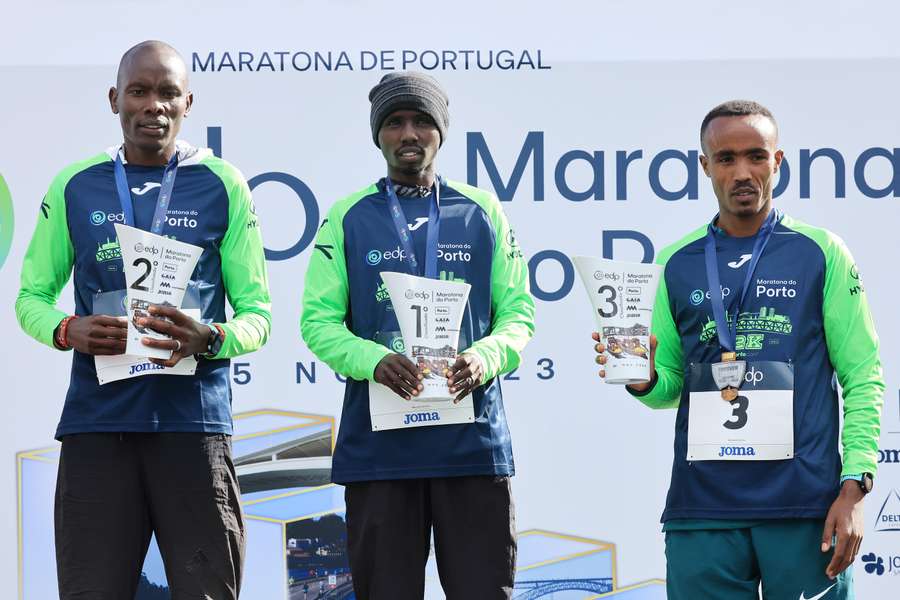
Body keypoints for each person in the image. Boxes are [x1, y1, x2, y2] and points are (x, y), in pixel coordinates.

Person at [593, 100, 884, 600]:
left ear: (778, 161)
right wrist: (640, 379)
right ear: (705, 166)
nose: (742, 172)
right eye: (725, 158)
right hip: (703, 511)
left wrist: (855, 485)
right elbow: (669, 387)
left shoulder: (821, 251)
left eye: (756, 155)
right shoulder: (675, 262)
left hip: (805, 507)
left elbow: (863, 375)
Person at [16, 40, 271, 599]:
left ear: (188, 104)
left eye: (168, 93)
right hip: (98, 427)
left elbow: (258, 316)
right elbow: (30, 297)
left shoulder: (223, 184)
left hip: (193, 429)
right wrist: (66, 330)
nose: (153, 105)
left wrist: (212, 337)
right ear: (115, 99)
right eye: (139, 91)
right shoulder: (76, 184)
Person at [301, 71, 534, 600]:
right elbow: (318, 322)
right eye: (395, 122)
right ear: (378, 135)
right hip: (381, 453)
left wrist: (485, 356)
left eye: (422, 121)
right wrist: (372, 359)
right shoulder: (347, 216)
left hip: (471, 448)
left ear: (442, 131)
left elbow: (518, 312)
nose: (409, 133)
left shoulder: (481, 211)